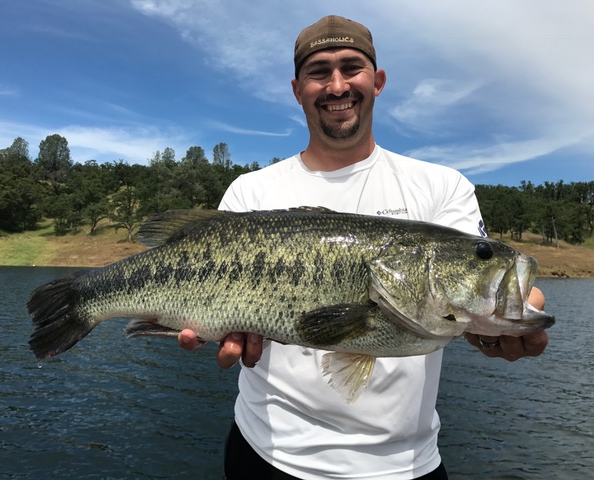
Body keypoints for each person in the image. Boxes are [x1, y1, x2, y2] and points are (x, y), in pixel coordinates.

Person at [178, 15, 549, 480]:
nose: (337, 85)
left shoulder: (440, 186)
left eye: (352, 67)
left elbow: (501, 289)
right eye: (319, 72)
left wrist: (514, 315)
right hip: (268, 456)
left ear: (377, 81)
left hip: (406, 466)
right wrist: (223, 327)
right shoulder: (250, 192)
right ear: (297, 90)